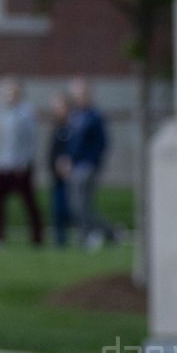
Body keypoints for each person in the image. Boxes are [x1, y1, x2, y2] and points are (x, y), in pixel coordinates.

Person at [0, 79, 43, 247]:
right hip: (3, 166)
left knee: (29, 203)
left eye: (11, 91)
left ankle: (37, 238)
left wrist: (25, 163)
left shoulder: (26, 113)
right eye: (5, 91)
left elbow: (30, 141)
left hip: (21, 167)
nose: (8, 95)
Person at [66, 77, 115, 247]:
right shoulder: (74, 115)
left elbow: (102, 143)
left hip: (87, 166)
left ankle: (87, 237)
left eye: (82, 93)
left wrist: (92, 162)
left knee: (84, 205)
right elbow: (71, 141)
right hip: (74, 166)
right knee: (75, 206)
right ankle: (109, 232)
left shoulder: (95, 116)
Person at [47, 91, 72, 247]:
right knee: (57, 208)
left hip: (67, 175)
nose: (56, 110)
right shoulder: (56, 126)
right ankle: (59, 239)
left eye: (59, 106)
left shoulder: (71, 127)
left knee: (69, 207)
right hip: (55, 175)